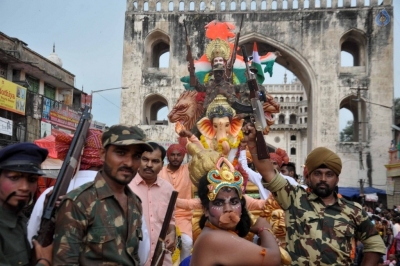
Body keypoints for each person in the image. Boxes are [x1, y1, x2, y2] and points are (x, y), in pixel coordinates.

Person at [243, 123, 386, 265]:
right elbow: (267, 171)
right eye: (318, 173)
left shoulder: (354, 210)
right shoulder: (294, 198)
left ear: (337, 179)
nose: (323, 179)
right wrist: (252, 143)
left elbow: (375, 244)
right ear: (309, 177)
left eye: (329, 174)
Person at [52, 125, 153, 265]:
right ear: (103, 154)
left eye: (136, 156)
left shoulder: (135, 203)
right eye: (121, 153)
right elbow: (64, 262)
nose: (129, 163)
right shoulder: (80, 201)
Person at [190, 157, 281, 266]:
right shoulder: (214, 239)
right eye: (219, 203)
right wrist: (264, 229)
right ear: (206, 210)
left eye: (234, 202)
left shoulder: (217, 233)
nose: (228, 209)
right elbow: (274, 258)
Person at [0, 142, 53, 266]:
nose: (25, 187)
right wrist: (44, 261)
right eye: (14, 178)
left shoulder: (17, 218)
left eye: (32, 179)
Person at [129, 142, 176, 266]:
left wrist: (172, 234)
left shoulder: (168, 189)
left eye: (155, 161)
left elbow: (171, 220)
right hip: (133, 259)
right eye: (145, 159)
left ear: (162, 165)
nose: (149, 165)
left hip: (161, 259)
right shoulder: (126, 187)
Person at [160, 143, 194, 262]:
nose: (175, 157)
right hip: (163, 215)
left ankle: (184, 263)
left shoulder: (189, 169)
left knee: (187, 242)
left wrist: (191, 137)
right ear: (167, 157)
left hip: (183, 215)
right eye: (172, 155)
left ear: (183, 156)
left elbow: (201, 154)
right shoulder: (160, 172)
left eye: (178, 155)